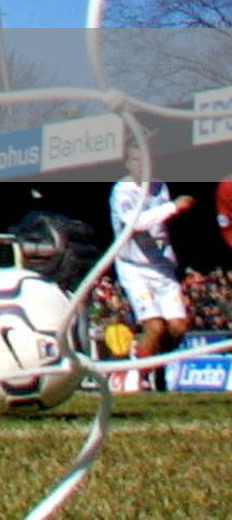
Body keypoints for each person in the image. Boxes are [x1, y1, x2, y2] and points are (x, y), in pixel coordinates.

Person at [109, 142, 194, 390]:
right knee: (155, 326)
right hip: (134, 268)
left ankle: (153, 364)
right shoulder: (122, 191)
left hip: (161, 267)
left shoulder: (160, 187)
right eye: (135, 160)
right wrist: (173, 207)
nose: (141, 166)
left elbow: (160, 226)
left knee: (178, 328)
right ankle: (141, 375)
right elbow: (135, 223)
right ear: (127, 163)